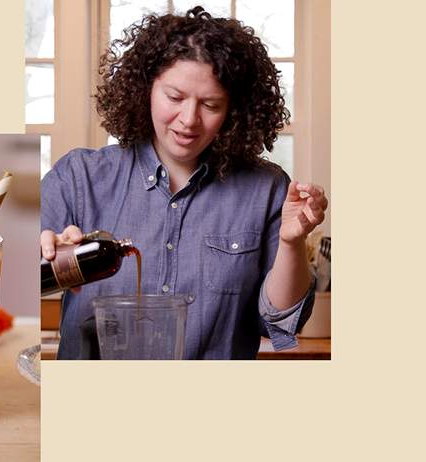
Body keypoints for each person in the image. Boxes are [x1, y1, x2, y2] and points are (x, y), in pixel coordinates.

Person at [40, 6, 328, 359]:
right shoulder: (78, 178)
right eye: (174, 98)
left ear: (234, 110)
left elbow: (280, 324)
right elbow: (13, 294)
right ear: (145, 89)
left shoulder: (265, 189)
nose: (189, 120)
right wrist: (48, 257)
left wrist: (291, 243)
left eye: (210, 104)